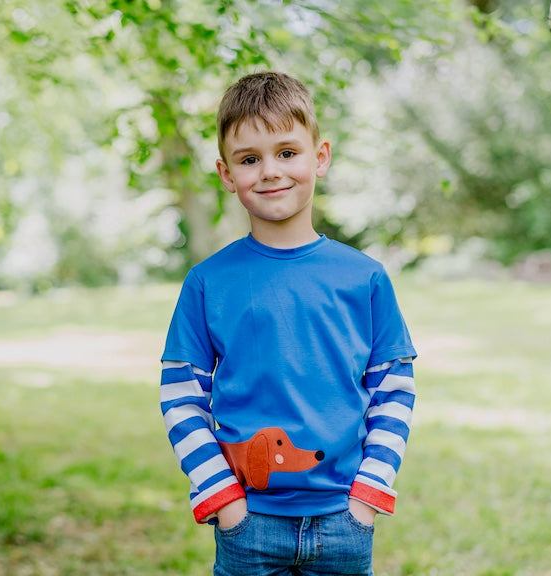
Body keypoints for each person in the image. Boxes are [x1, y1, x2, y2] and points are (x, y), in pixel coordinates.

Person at [160, 71, 418, 576]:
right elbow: (180, 395)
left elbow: (394, 388)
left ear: (319, 157)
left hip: (345, 519)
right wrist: (225, 502)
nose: (270, 171)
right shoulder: (208, 282)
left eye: (287, 153)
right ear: (226, 174)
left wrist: (367, 498)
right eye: (249, 159)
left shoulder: (364, 277)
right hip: (248, 523)